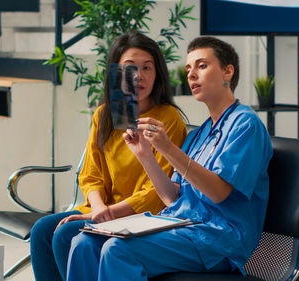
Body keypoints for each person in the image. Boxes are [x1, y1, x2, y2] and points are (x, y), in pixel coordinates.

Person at [66, 36, 273, 281]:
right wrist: (145, 155)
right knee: (84, 242)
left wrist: (168, 149)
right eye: (188, 69)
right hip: (180, 225)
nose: (192, 74)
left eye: (202, 66)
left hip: (218, 237)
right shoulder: (200, 134)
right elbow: (171, 196)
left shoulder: (245, 124)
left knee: (118, 250)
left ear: (228, 72)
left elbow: (219, 193)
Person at [30, 31, 188, 281]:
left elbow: (156, 193)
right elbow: (90, 175)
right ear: (115, 73)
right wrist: (98, 208)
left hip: (144, 215)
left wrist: (106, 213)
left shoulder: (167, 118)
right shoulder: (105, 114)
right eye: (130, 68)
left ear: (157, 73)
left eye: (147, 67)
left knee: (65, 234)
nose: (139, 76)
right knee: (41, 230)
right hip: (104, 209)